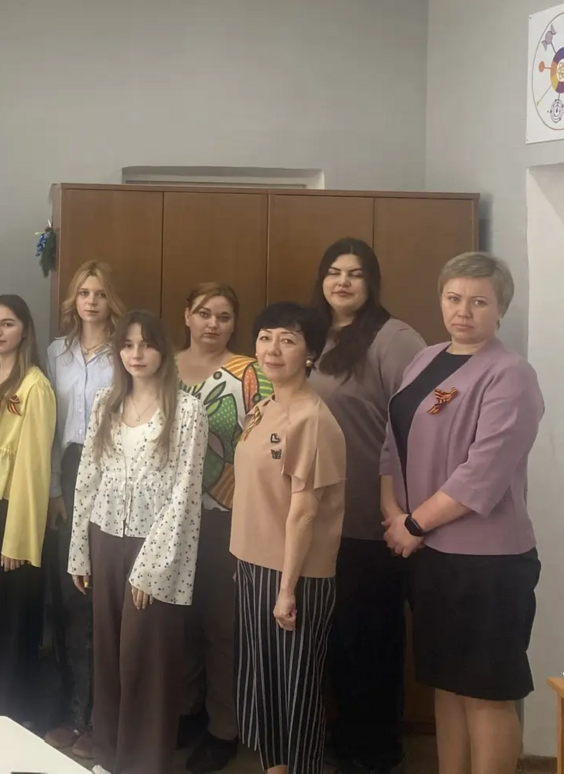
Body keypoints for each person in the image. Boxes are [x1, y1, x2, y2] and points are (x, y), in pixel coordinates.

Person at [379, 254, 542, 774]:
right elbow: (392, 445)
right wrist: (393, 512)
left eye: (478, 302)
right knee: (446, 686)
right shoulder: (424, 359)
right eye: (454, 298)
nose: (463, 312)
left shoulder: (510, 375)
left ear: (501, 309)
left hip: (487, 563)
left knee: (485, 694)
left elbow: (482, 474)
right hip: (428, 555)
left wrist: (412, 525)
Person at [308, 239, 427, 774]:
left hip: (371, 516)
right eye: (334, 272)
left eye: (355, 274)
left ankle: (379, 752)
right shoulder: (315, 333)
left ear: (371, 282)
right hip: (316, 517)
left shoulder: (393, 338)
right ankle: (347, 740)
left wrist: (405, 508)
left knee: (373, 638)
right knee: (335, 638)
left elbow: (418, 426)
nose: (343, 282)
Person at [70, 311, 207, 774]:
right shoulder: (105, 402)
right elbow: (87, 477)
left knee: (145, 659)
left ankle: (143, 763)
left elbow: (185, 494)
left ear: (163, 351)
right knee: (108, 653)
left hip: (158, 548)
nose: (136, 354)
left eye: (146, 344)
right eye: (127, 345)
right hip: (106, 536)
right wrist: (79, 550)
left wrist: (151, 568)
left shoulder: (187, 411)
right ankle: (108, 757)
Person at [232, 301, 346, 774]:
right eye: (265, 338)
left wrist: (286, 589)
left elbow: (304, 514)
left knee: (295, 690)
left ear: (310, 353)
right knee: (265, 683)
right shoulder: (264, 407)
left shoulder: (311, 419)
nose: (272, 349)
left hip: (293, 575)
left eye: (288, 340)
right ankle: (273, 768)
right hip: (253, 564)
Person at [176, 283, 270, 774]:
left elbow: (270, 441)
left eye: (224, 316)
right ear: (187, 316)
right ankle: (187, 710)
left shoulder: (251, 372)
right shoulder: (163, 366)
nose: (213, 324)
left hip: (227, 516)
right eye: (204, 313)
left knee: (221, 625)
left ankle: (223, 728)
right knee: (179, 621)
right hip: (169, 518)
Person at [43, 261, 125, 756]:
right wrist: (54, 490)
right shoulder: (57, 352)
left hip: (112, 476)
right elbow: (51, 429)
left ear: (112, 299)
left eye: (100, 293)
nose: (91, 301)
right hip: (67, 473)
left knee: (100, 598)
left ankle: (100, 718)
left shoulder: (127, 352)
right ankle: (72, 711)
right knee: (68, 596)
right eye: (84, 293)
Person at [0, 294, 57, 725]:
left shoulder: (35, 386)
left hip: (12, 512)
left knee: (11, 616)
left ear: (24, 330)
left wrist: (18, 537)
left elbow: (33, 470)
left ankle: (11, 710)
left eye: (7, 324)